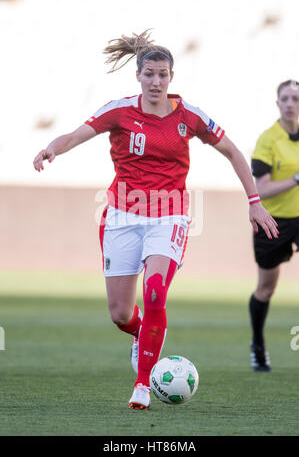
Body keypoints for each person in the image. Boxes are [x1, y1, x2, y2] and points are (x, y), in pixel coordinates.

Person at [33, 30, 278, 409]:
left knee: (155, 293)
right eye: (149, 74)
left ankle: (143, 385)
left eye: (163, 75)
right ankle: (140, 334)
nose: (156, 82)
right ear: (138, 76)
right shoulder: (119, 109)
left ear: (171, 78)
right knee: (119, 314)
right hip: (121, 216)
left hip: (170, 216)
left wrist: (254, 201)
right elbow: (76, 135)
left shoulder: (189, 116)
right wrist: (51, 148)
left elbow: (231, 151)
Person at [249, 79, 299, 372]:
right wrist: (295, 179)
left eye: (295, 98)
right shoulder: (269, 139)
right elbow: (261, 189)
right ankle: (258, 345)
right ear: (277, 103)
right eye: (286, 99)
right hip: (273, 221)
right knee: (266, 289)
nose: (291, 103)